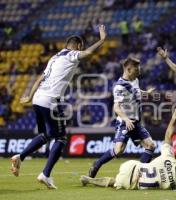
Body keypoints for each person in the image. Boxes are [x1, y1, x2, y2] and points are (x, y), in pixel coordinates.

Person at [10, 25, 107, 189]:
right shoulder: (71, 55)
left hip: (38, 98)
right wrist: (102, 40)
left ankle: (20, 156)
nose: (80, 50)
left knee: (47, 135)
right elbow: (88, 54)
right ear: (77, 46)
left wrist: (29, 96)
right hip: (50, 100)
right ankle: (45, 174)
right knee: (61, 138)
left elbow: (41, 77)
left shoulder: (54, 57)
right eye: (80, 47)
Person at [87, 56, 156, 178]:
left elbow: (136, 91)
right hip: (124, 123)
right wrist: (126, 119)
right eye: (136, 69)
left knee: (151, 146)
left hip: (136, 123)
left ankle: (137, 174)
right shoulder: (119, 87)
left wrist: (146, 93)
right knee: (118, 150)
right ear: (128, 69)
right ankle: (97, 164)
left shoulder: (135, 80)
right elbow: (116, 108)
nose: (139, 71)